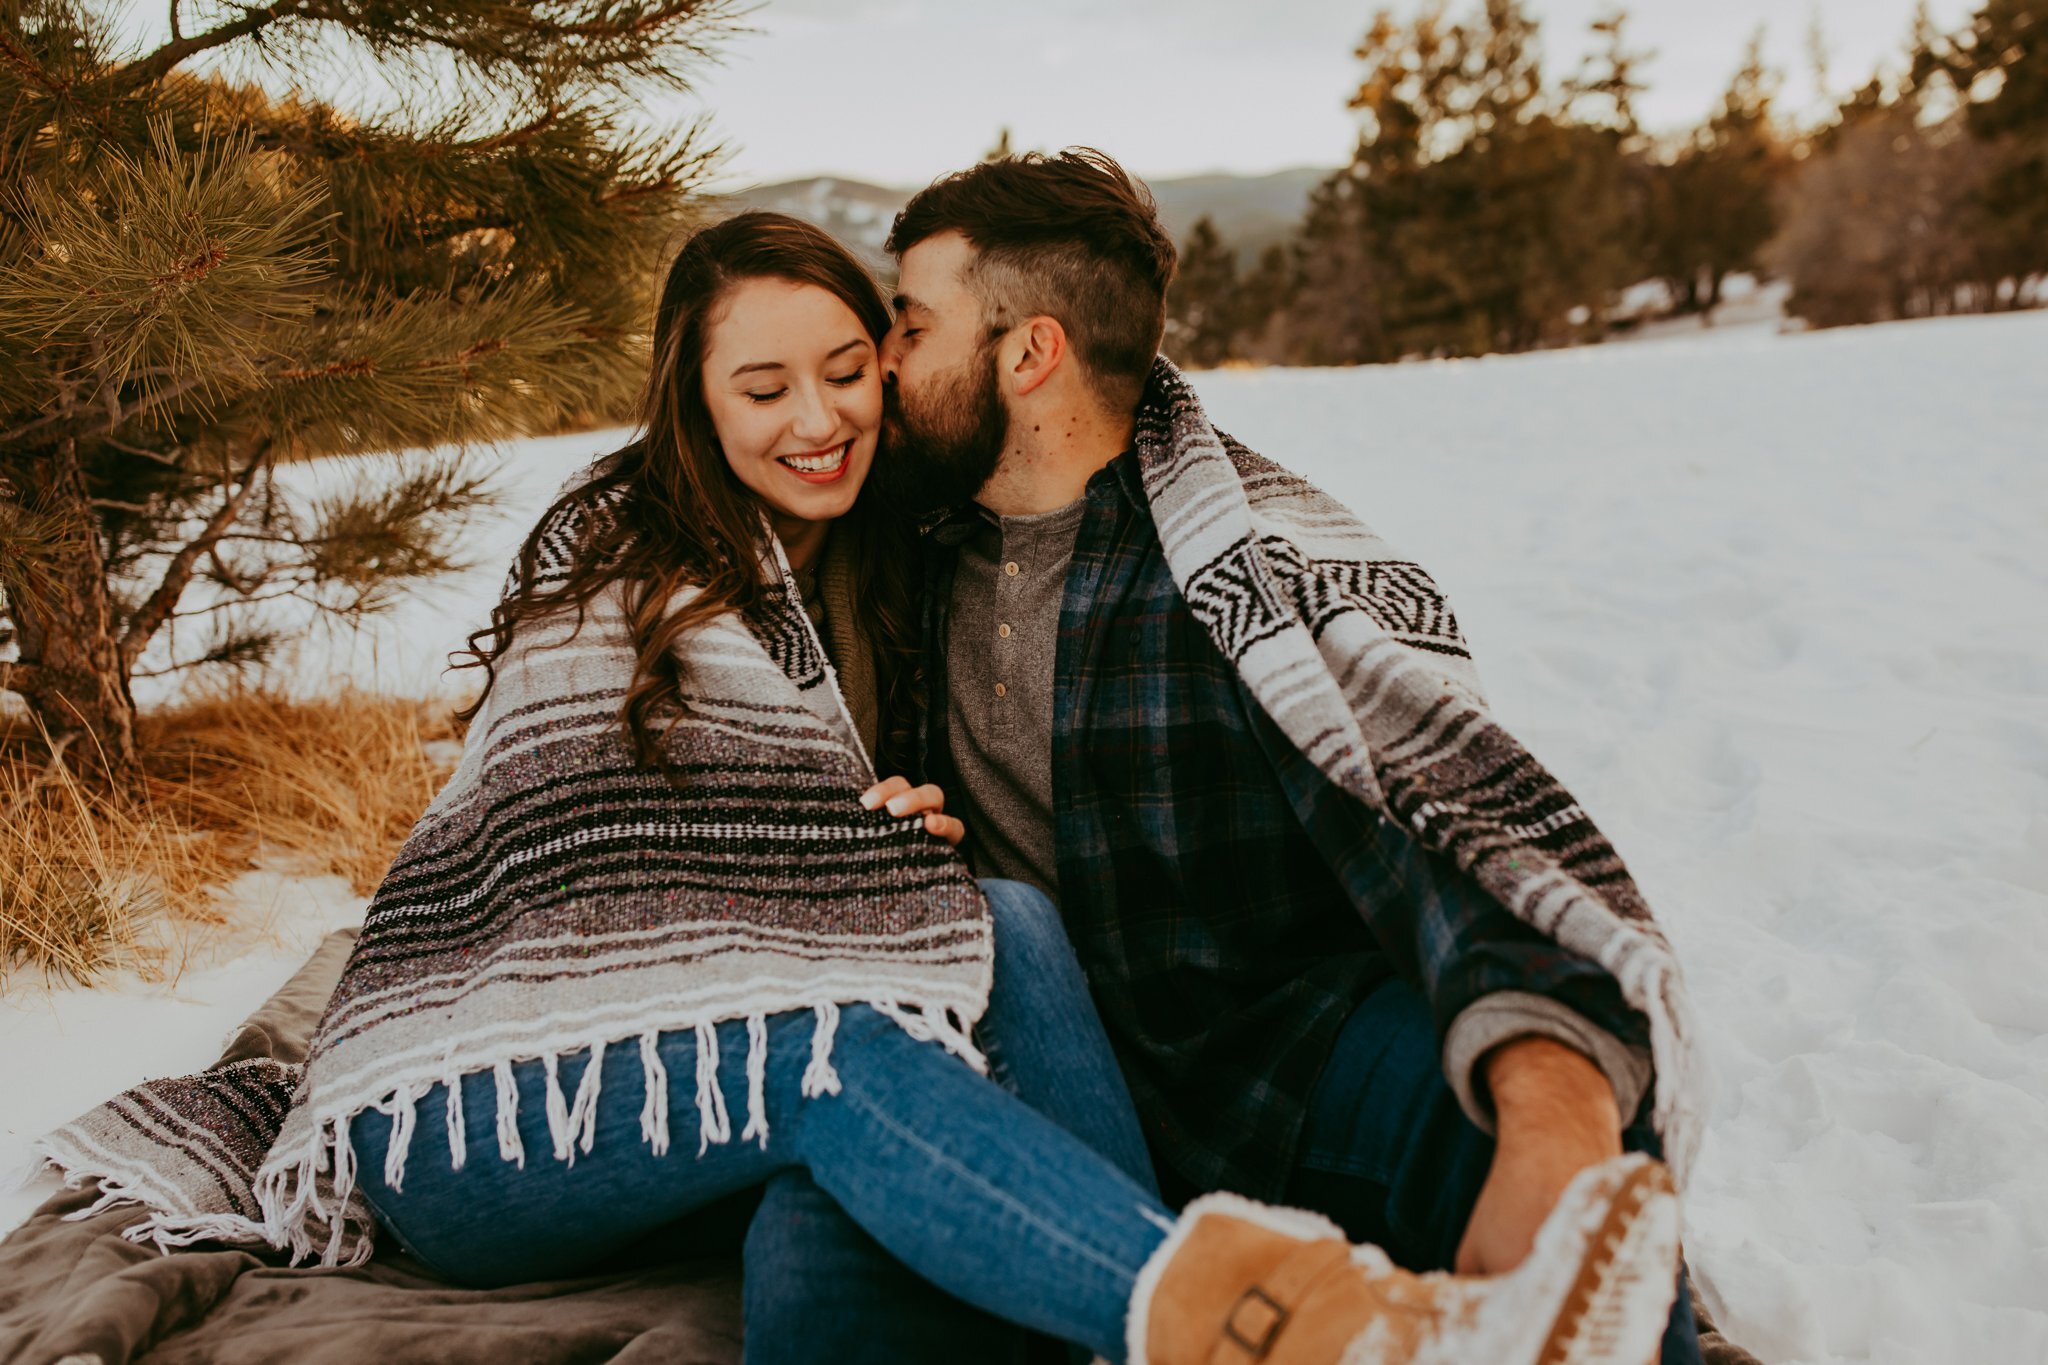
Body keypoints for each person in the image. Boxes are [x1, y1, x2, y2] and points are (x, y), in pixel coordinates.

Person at [37, 210, 1682, 1365]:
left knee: (992, 942)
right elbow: (568, 839)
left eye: (856, 356)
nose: (826, 414)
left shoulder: (904, 549)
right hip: (511, 1081)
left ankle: (1105, 1294)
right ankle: (1262, 1327)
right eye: (763, 389)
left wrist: (865, 852)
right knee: (846, 1061)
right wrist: (802, 862)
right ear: (688, 399)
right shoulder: (619, 559)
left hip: (792, 1065)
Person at [737, 155, 1714, 1365]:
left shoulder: (1241, 572)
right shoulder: (896, 543)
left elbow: (1437, 829)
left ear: (1027, 353)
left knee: (1568, 1167)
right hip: (1017, 1073)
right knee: (806, 1249)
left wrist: (1552, 1122)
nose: (881, 362)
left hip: (1268, 1054)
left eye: (912, 324)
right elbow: (698, 495)